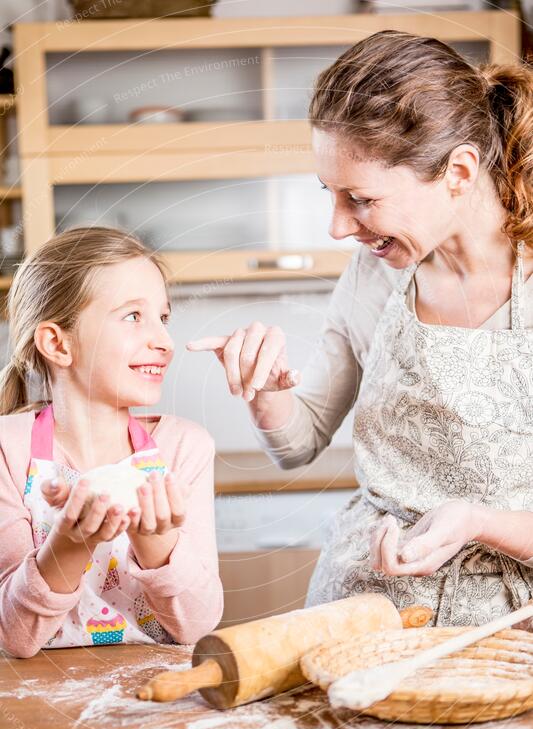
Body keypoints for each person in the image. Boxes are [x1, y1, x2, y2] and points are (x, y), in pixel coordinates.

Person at [187, 31, 533, 627]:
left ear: (458, 170)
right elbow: (300, 443)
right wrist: (269, 392)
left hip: (510, 631)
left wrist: (478, 522)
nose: (338, 226)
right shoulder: (373, 278)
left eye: (361, 199)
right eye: (329, 193)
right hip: (363, 612)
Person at [0, 227, 223, 657]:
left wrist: (157, 543)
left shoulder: (183, 449)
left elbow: (197, 626)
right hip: (41, 704)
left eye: (163, 317)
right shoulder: (9, 451)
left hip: (156, 702)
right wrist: (67, 546)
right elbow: (15, 638)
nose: (163, 340)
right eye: (133, 316)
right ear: (57, 344)